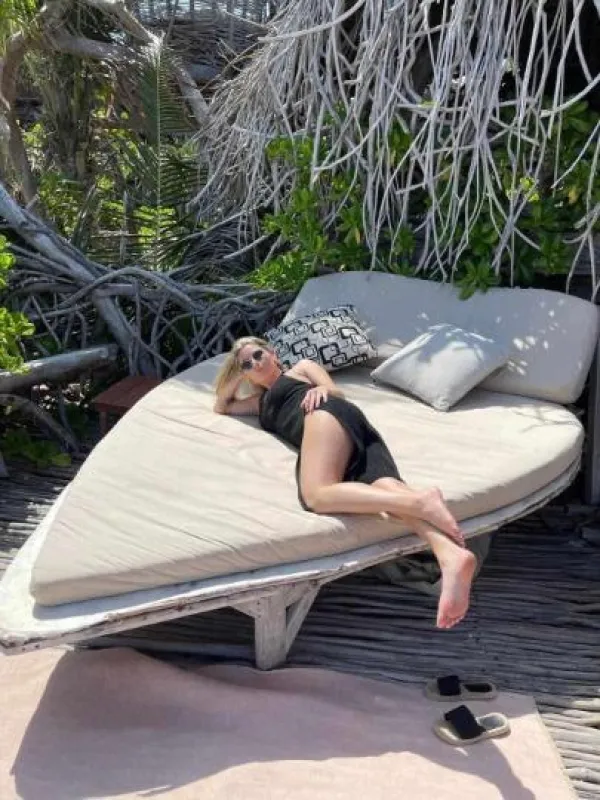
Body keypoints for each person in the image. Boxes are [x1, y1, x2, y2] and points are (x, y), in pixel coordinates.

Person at [214, 336, 476, 630]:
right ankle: (450, 555)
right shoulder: (259, 403)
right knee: (385, 491)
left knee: (316, 495)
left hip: (324, 415)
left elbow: (334, 390)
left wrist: (322, 389)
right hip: (334, 438)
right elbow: (222, 405)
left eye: (258, 355)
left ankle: (420, 500)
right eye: (247, 365)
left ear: (272, 353)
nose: (255, 363)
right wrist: (237, 371)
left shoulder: (300, 369)